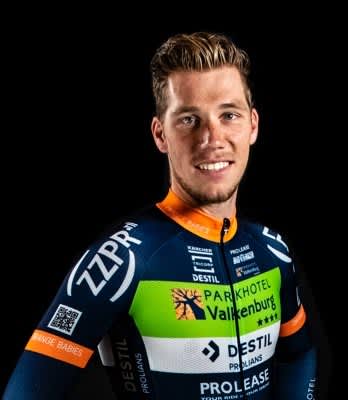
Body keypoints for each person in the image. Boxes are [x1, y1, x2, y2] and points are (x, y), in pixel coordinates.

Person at [4, 31, 319, 399]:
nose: (212, 138)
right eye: (188, 119)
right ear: (160, 134)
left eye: (228, 115)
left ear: (253, 125)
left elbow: (300, 354)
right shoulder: (124, 260)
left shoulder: (272, 252)